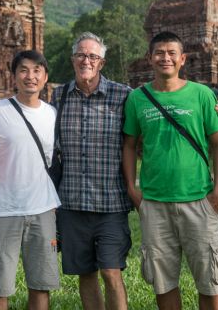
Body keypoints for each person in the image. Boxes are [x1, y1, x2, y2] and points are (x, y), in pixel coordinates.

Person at [121, 31, 218, 310]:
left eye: (172, 53)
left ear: (182, 59)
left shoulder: (201, 94)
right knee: (163, 280)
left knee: (210, 278)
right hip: (155, 203)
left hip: (198, 199)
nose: (165, 58)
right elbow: (130, 145)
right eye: (159, 52)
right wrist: (133, 189)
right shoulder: (138, 98)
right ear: (150, 58)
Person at [51, 32, 132, 310]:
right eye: (81, 55)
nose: (87, 60)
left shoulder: (123, 95)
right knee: (85, 272)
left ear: (102, 62)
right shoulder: (58, 96)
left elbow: (151, 126)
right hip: (72, 202)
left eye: (93, 56)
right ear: (73, 59)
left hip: (110, 203)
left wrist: (206, 109)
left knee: (111, 272)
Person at [0, 50, 61, 310]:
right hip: (5, 211)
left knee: (40, 285)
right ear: (13, 76)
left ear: (45, 77)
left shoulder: (53, 115)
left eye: (37, 70)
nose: (30, 76)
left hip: (43, 210)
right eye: (24, 70)